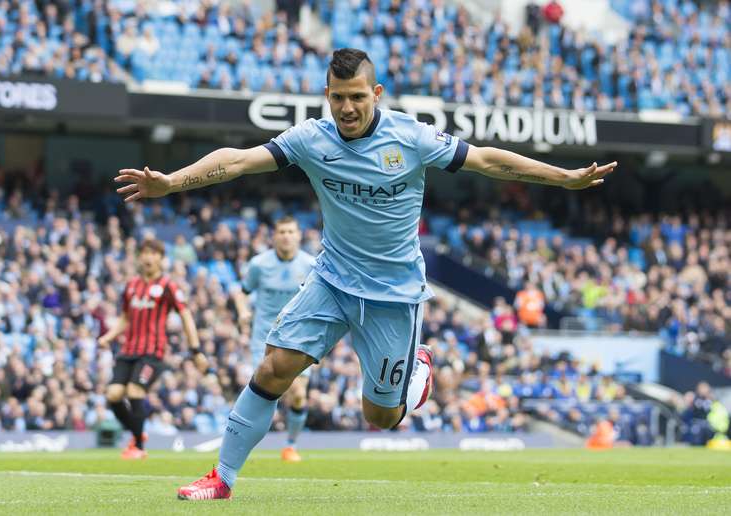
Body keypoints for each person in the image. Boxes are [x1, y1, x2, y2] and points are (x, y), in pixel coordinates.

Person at [114, 48, 616, 499]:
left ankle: (416, 374)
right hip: (331, 280)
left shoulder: (412, 138)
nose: (347, 108)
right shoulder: (312, 138)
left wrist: (563, 177)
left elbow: (485, 158)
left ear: (376, 93)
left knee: (378, 418)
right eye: (338, 98)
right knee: (272, 369)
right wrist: (172, 183)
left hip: (393, 296)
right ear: (326, 96)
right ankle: (223, 477)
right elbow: (241, 160)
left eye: (357, 97)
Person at [98, 238, 207, 459]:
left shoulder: (168, 286)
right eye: (144, 253)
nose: (148, 257)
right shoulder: (131, 286)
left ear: (161, 258)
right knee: (113, 394)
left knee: (135, 391)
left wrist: (196, 350)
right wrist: (108, 337)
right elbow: (125, 317)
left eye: (153, 253)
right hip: (128, 351)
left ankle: (138, 447)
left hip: (152, 353)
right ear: (140, 257)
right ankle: (137, 433)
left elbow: (185, 316)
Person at [233, 215, 316, 462]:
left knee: (298, 395)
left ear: (298, 235)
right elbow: (241, 292)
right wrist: (243, 311)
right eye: (282, 232)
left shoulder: (311, 265)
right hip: (264, 338)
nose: (286, 236)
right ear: (274, 236)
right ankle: (243, 445)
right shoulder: (259, 264)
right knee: (263, 393)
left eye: (291, 231)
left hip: (300, 337)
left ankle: (290, 445)